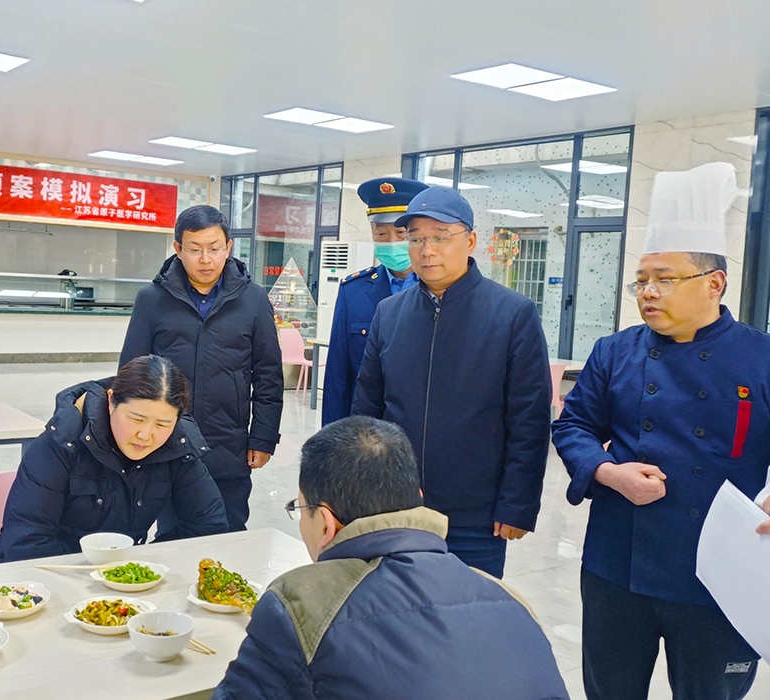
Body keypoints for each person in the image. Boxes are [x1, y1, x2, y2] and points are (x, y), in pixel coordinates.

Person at [553, 162, 769, 700]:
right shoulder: (613, 351)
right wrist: (607, 471)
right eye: (642, 280)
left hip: (720, 571)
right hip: (615, 561)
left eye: (665, 280)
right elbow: (573, 425)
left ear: (715, 283)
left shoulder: (761, 358)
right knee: (609, 689)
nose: (648, 292)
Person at [211, 416, 569, 700]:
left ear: (324, 521)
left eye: (300, 508)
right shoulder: (508, 597)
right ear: (418, 497)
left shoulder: (303, 600)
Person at [351, 185, 551, 578]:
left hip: (475, 515)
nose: (427, 250)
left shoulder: (512, 315)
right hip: (396, 507)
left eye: (441, 237)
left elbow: (529, 420)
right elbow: (366, 411)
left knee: (466, 627)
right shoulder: (389, 314)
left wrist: (517, 505)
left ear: (471, 240)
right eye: (417, 238)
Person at [120, 205, 283, 532]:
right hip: (168, 444)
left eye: (214, 249)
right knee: (174, 537)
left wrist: (264, 438)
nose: (205, 259)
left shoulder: (253, 299)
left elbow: (268, 375)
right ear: (178, 249)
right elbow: (131, 375)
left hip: (230, 446)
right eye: (195, 250)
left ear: (228, 248)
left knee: (230, 532)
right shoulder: (152, 299)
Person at [0, 355, 228, 563]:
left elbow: (208, 526)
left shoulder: (178, 446)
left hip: (121, 585)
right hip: (36, 581)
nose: (145, 435)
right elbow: (26, 544)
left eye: (162, 424)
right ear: (111, 400)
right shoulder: (63, 442)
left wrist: (145, 567)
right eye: (136, 419)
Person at [321, 177, 428, 424]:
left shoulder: (440, 290)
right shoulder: (353, 291)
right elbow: (339, 375)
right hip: (368, 431)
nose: (391, 242)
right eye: (381, 233)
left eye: (400, 233)